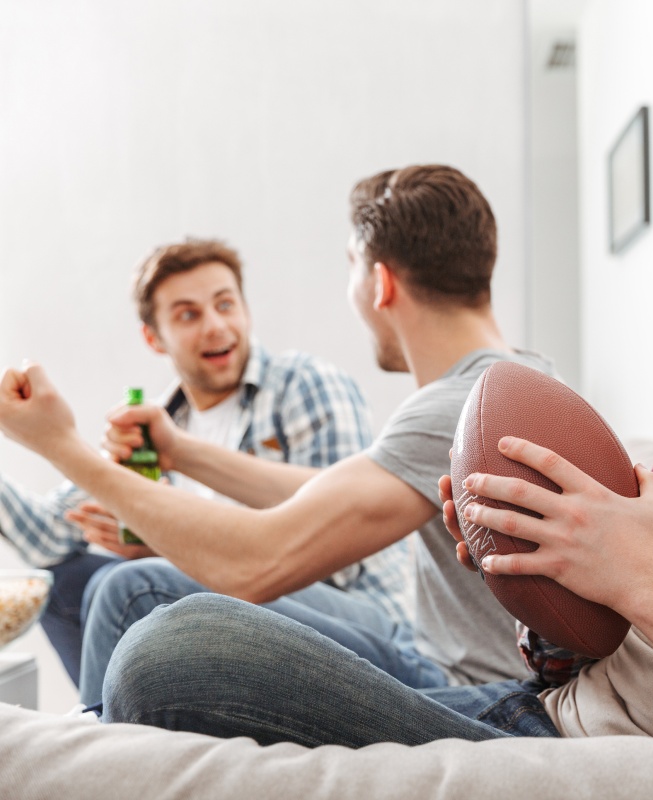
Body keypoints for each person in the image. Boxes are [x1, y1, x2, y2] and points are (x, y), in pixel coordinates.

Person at [2, 99, 653, 763]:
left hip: (564, 755)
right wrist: (544, 577)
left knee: (163, 642)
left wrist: (644, 578)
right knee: (142, 604)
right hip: (533, 707)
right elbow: (584, 657)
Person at [1, 164, 553, 707]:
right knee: (94, 582)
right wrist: (180, 451)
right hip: (465, 666)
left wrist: (59, 444)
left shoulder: (453, 408)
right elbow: (325, 492)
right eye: (189, 314)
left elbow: (256, 563)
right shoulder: (524, 381)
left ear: (379, 283)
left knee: (133, 588)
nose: (215, 326)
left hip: (465, 686)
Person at [0, 238, 376, 686]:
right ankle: (123, 723)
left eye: (225, 304)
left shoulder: (304, 384)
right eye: (188, 315)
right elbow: (47, 537)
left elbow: (344, 548)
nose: (215, 326)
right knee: (67, 581)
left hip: (351, 615)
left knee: (123, 583)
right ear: (153, 337)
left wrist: (170, 538)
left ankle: (104, 734)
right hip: (240, 609)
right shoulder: (153, 426)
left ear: (245, 309)